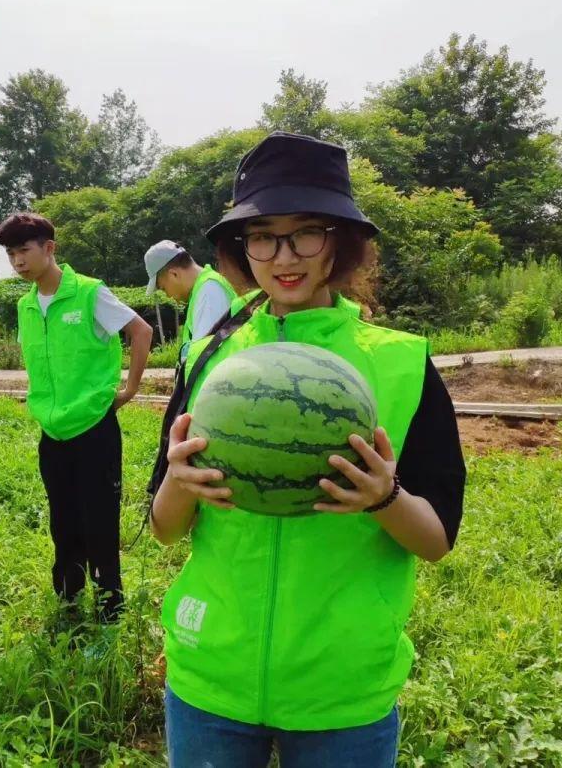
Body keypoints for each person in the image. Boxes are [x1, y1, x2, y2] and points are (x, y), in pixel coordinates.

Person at [150, 132, 466, 767]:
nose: (281, 256)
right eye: (262, 235)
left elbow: (435, 542)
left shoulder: (402, 364)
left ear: (339, 243)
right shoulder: (214, 355)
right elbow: (161, 529)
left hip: (342, 692)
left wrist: (386, 497)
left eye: (305, 234)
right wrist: (181, 483)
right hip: (211, 678)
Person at [0, 212, 153, 624]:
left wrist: (131, 389)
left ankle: (109, 606)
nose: (18, 261)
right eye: (11, 254)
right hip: (52, 431)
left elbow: (141, 331)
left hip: (93, 429)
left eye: (24, 251)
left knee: (99, 518)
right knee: (62, 518)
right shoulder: (26, 304)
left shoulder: (89, 294)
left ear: (49, 248)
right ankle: (68, 597)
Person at [143, 240, 236, 362]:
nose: (168, 295)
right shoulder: (202, 290)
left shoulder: (209, 292)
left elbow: (205, 359)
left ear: (174, 274)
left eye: (163, 288)